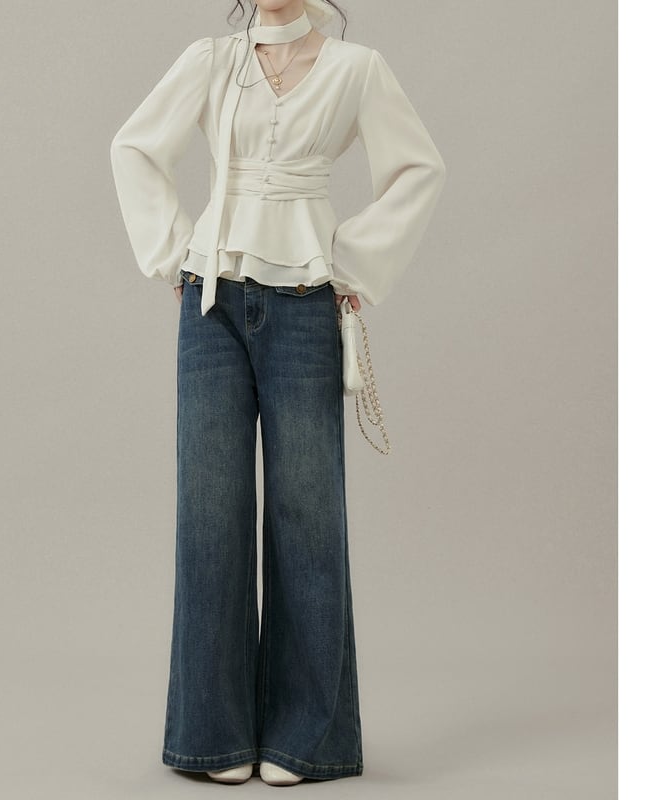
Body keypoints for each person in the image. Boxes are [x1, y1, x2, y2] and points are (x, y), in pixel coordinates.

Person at [109, 0, 446, 786]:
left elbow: (419, 169)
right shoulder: (212, 60)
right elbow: (134, 147)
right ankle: (213, 736)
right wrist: (173, 251)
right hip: (213, 303)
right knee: (210, 514)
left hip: (303, 303)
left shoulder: (356, 69)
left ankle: (306, 740)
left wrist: (350, 265)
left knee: (308, 516)